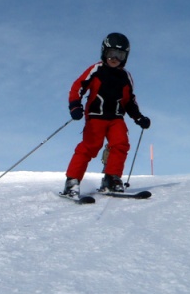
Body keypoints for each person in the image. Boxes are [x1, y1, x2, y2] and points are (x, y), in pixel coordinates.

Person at [61, 33, 151, 197]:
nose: (114, 58)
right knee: (90, 147)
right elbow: (78, 87)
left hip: (116, 118)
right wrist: (75, 106)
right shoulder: (96, 70)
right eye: (111, 53)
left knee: (121, 143)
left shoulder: (125, 76)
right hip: (96, 116)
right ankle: (72, 182)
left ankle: (111, 179)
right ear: (104, 52)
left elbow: (129, 100)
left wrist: (139, 117)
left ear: (125, 57)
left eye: (120, 55)